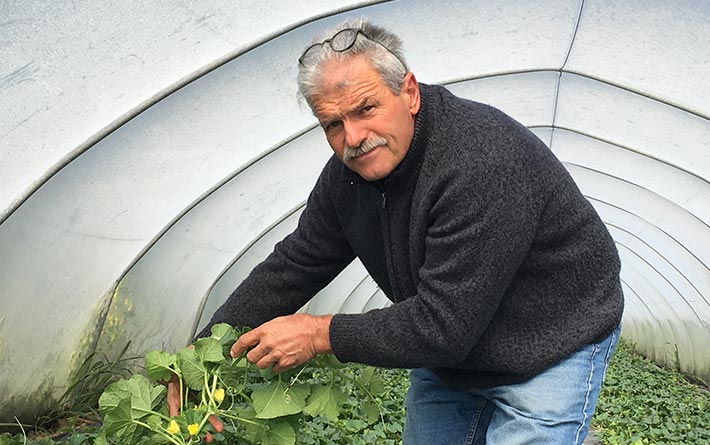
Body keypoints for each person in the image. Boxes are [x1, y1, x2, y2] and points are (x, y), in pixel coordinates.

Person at [191, 18, 624, 444]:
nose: (354, 137)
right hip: (453, 349)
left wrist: (317, 332)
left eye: (366, 109)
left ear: (409, 93)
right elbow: (297, 261)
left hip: (551, 341)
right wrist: (196, 360)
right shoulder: (346, 179)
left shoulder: (479, 160)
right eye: (333, 124)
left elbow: (442, 328)